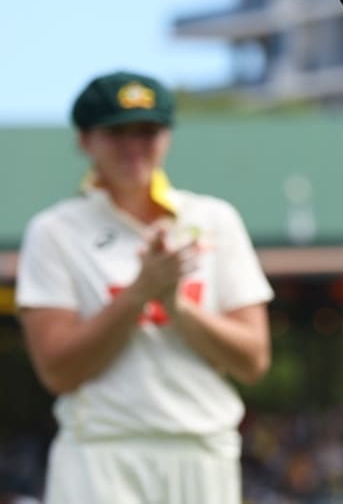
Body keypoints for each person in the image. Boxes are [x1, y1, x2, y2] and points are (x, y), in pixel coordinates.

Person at [16, 71, 274, 504]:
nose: (134, 145)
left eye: (147, 130)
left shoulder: (215, 219)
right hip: (100, 455)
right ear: (85, 140)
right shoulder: (54, 230)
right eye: (116, 131)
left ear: (167, 136)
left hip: (203, 450)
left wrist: (175, 306)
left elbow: (253, 360)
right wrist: (140, 292)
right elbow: (57, 370)